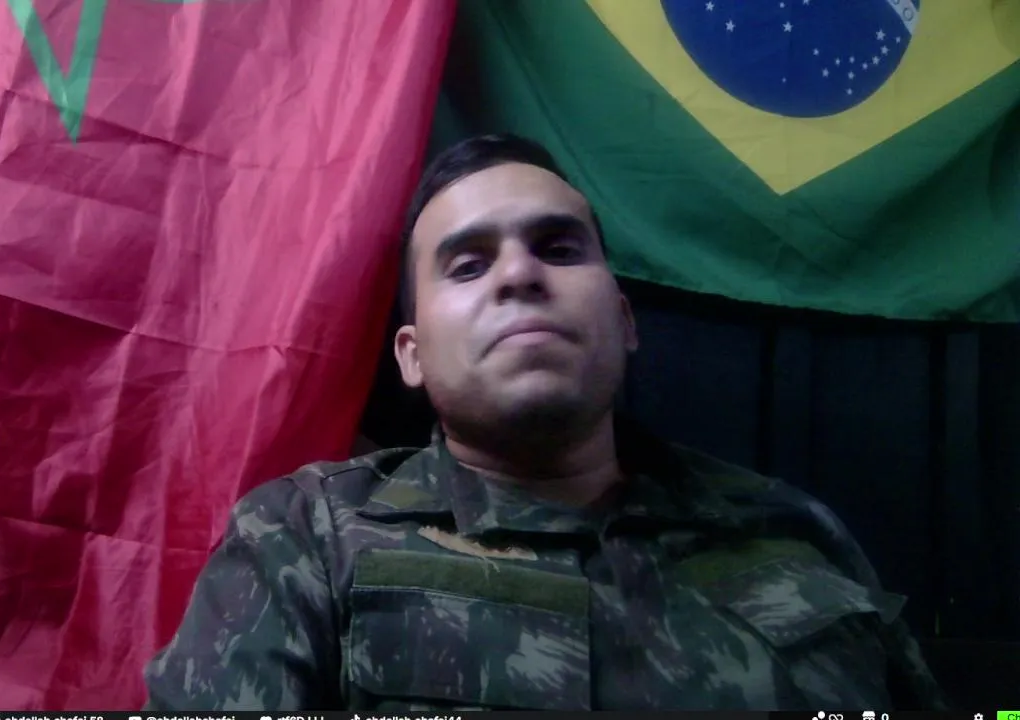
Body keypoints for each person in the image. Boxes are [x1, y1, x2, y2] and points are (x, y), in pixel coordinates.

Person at [143, 134, 947, 711]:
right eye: (468, 264)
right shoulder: (303, 539)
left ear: (624, 321)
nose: (520, 274)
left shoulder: (795, 532)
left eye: (559, 249)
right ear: (412, 355)